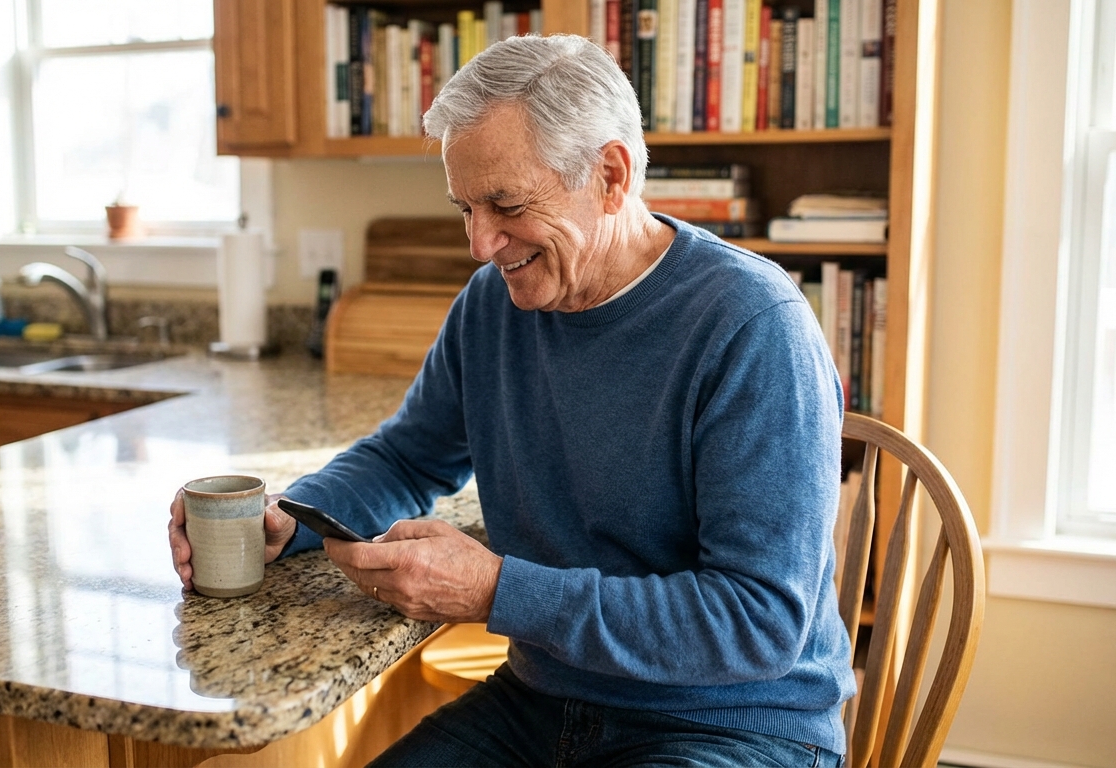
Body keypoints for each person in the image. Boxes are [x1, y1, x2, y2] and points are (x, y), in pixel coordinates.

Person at [170, 33, 853, 767]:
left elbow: (757, 623)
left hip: (732, 725)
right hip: (541, 706)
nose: (479, 243)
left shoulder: (752, 327)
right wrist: (290, 515)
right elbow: (406, 457)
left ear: (611, 175)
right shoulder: (491, 307)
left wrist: (499, 589)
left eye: (504, 203)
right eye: (465, 207)